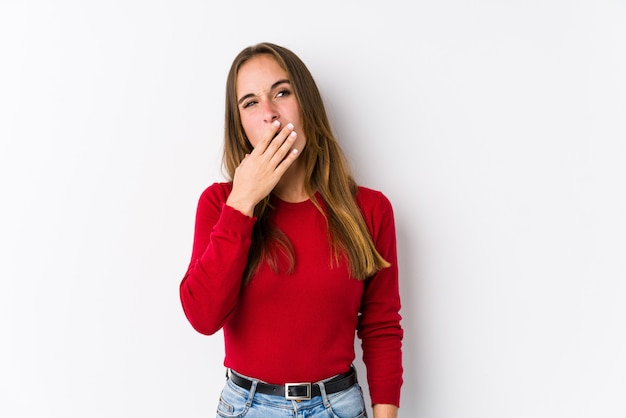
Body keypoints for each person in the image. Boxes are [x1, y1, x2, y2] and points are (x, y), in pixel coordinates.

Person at [179, 42, 403, 418]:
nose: (269, 113)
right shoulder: (220, 205)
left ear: (306, 104)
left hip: (338, 407)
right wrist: (243, 202)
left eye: (281, 93)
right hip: (247, 407)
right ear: (240, 125)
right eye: (250, 103)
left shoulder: (370, 209)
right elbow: (203, 317)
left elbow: (381, 328)